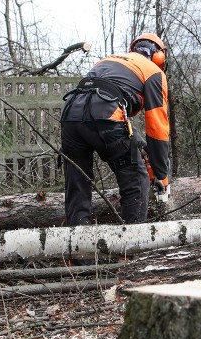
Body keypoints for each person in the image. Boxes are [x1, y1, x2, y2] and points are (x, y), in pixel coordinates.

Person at [60, 33, 171, 228]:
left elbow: (115, 114)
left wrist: (141, 148)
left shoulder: (110, 60)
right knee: (136, 178)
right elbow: (157, 128)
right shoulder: (154, 71)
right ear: (159, 57)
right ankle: (130, 249)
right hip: (104, 114)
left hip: (71, 115)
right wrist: (161, 176)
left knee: (77, 187)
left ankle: (79, 254)